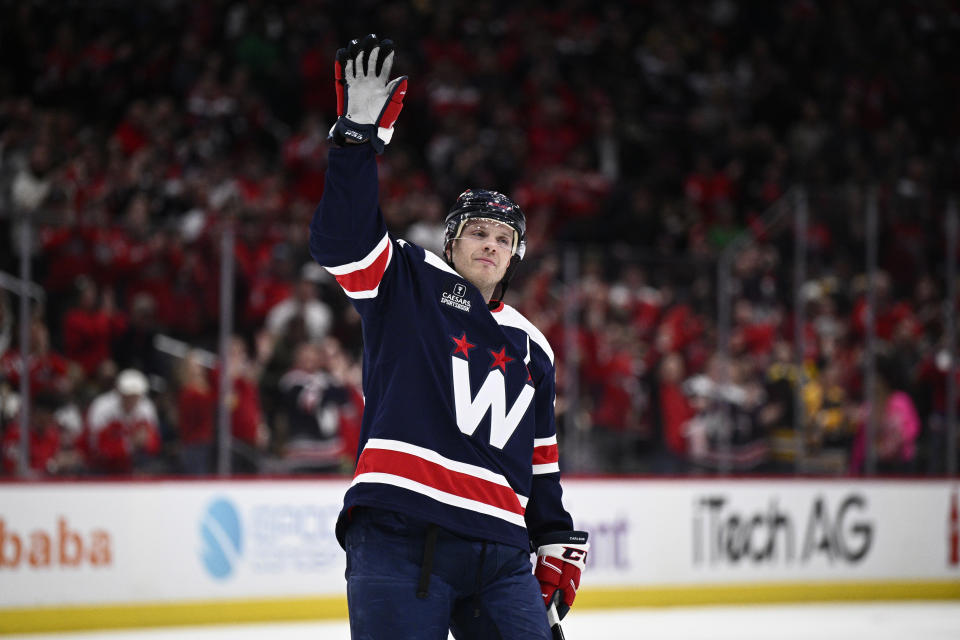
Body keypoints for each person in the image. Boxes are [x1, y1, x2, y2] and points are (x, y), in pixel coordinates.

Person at [310, 35, 588, 639]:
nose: (490, 244)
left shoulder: (532, 344)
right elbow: (339, 242)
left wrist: (555, 537)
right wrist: (356, 140)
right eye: (478, 232)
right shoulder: (408, 278)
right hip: (400, 529)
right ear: (453, 241)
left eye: (503, 239)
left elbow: (541, 462)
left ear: (514, 257)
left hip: (501, 551)